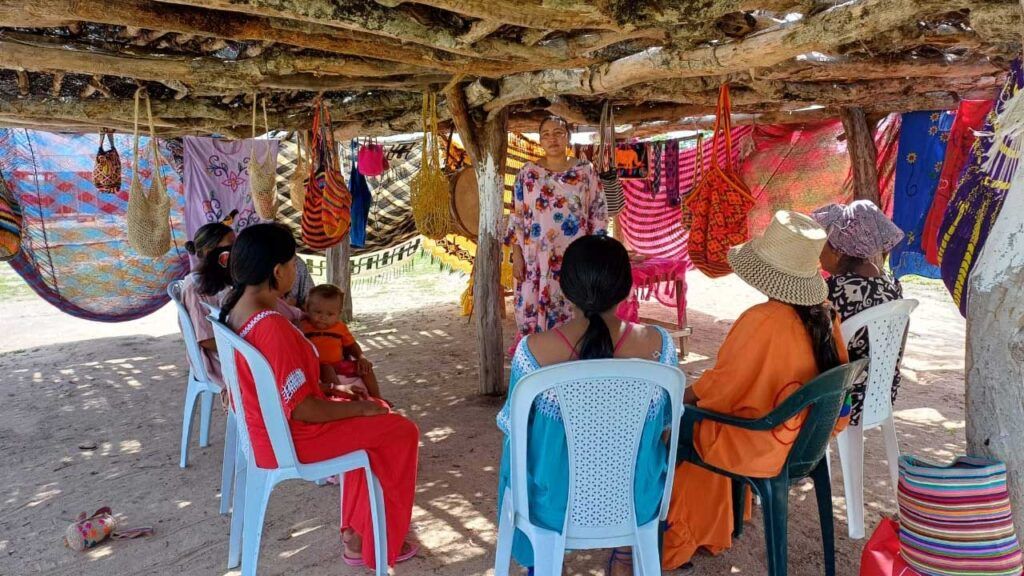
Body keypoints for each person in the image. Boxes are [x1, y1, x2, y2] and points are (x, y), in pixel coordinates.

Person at [218, 223, 419, 570]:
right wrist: (362, 410)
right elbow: (303, 410)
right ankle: (379, 542)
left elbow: (280, 388)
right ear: (277, 271)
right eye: (294, 265)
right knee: (400, 430)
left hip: (269, 431)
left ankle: (356, 534)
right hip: (293, 438)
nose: (296, 272)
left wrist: (335, 390)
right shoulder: (271, 326)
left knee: (377, 413)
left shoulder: (236, 309)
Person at [661, 211, 850, 571]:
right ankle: (717, 522)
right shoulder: (827, 317)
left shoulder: (762, 321)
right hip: (803, 443)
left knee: (679, 427)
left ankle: (677, 533)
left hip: (761, 446)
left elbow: (718, 394)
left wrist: (677, 397)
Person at [495, 235, 678, 575]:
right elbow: (666, 429)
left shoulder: (533, 351)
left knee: (517, 446)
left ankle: (542, 561)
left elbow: (514, 430)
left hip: (553, 505)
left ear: (565, 289)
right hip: (635, 501)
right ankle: (626, 556)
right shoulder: (659, 345)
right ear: (626, 288)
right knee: (650, 449)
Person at [505, 115, 609, 345]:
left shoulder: (585, 171)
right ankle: (542, 359)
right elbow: (517, 215)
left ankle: (573, 360)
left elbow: (599, 213)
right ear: (540, 141)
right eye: (546, 135)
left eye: (559, 133)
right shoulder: (527, 174)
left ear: (568, 138)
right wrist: (517, 256)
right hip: (537, 260)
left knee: (576, 312)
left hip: (576, 257)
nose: (552, 139)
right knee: (535, 318)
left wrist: (596, 253)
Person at [811, 200, 905, 427]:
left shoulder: (833, 290)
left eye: (822, 247)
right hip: (880, 396)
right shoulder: (891, 285)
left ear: (838, 250)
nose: (819, 256)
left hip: (841, 400)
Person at [301, 284, 383, 400]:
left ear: (339, 314)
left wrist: (361, 357)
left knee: (366, 368)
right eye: (318, 312)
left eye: (330, 314)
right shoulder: (303, 327)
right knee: (326, 367)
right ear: (307, 308)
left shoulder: (340, 328)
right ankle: (341, 393)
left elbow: (351, 345)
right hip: (318, 367)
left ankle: (377, 397)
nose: (323, 317)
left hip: (340, 364)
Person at [181, 222, 235, 388]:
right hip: (216, 360)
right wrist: (246, 351)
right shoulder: (196, 286)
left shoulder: (221, 277)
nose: (235, 252)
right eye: (230, 247)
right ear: (209, 251)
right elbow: (206, 339)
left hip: (229, 350)